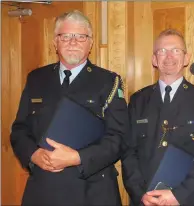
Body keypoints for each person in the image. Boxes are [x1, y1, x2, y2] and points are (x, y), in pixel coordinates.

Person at [10, 10, 128, 205]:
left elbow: (120, 138)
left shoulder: (108, 81)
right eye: (65, 36)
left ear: (90, 43)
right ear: (55, 42)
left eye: (81, 37)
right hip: (44, 189)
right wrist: (34, 154)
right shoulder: (37, 79)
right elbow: (19, 129)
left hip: (92, 191)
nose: (73, 42)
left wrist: (77, 157)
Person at [121, 29, 194, 206]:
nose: (169, 56)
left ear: (187, 58)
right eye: (162, 51)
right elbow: (128, 152)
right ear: (154, 60)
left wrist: (180, 195)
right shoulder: (138, 100)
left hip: (191, 199)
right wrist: (141, 194)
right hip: (147, 199)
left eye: (176, 50)